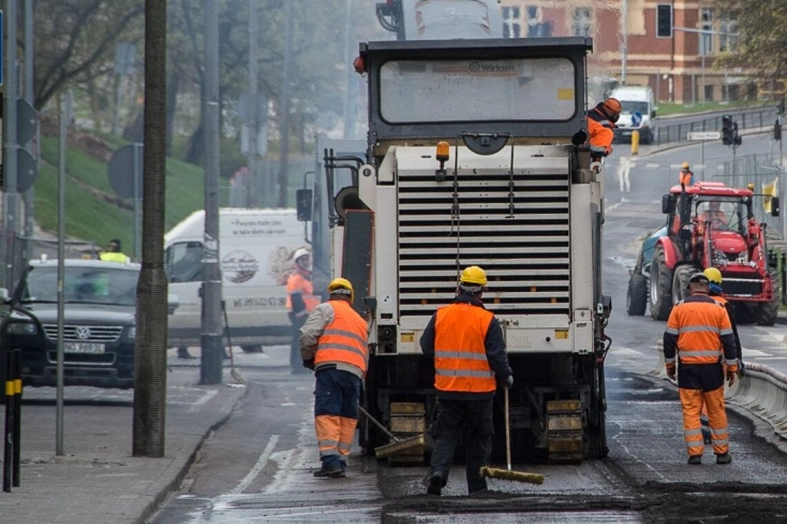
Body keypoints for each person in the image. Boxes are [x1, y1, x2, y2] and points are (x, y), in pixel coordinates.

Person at [419, 266, 514, 496]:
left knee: (447, 435)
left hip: (448, 390)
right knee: (479, 439)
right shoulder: (487, 320)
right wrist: (507, 375)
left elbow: (426, 346)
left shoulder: (441, 315)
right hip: (480, 393)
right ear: (481, 291)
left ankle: (438, 474)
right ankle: (478, 487)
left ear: (459, 287)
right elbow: (496, 356)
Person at [664, 272, 738, 465]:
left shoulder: (679, 308)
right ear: (707, 289)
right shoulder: (719, 308)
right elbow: (729, 342)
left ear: (690, 288)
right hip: (712, 369)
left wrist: (670, 365)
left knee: (690, 410)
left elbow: (669, 339)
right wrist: (732, 367)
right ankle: (722, 453)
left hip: (688, 369)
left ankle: (695, 453)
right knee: (716, 409)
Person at [299, 277, 368, 478]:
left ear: (331, 294)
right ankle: (341, 461)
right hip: (354, 372)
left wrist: (308, 359)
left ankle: (330, 462)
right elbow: (365, 352)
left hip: (330, 369)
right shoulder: (359, 320)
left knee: (327, 413)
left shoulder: (325, 309)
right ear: (350, 297)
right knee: (348, 416)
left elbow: (307, 336)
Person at [699, 266, 744, 444]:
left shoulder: (692, 304)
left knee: (697, 399)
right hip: (718, 361)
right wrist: (737, 360)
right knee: (715, 400)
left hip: (693, 360)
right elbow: (732, 336)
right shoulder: (723, 305)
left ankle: (702, 431)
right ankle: (713, 434)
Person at [287, 248, 321, 373]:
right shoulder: (297, 278)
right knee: (299, 339)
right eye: (302, 259)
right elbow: (295, 297)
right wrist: (301, 313)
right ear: (297, 262)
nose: (305, 261)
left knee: (304, 339)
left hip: (307, 313)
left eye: (307, 258)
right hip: (300, 314)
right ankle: (297, 365)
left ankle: (302, 364)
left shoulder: (307, 276)